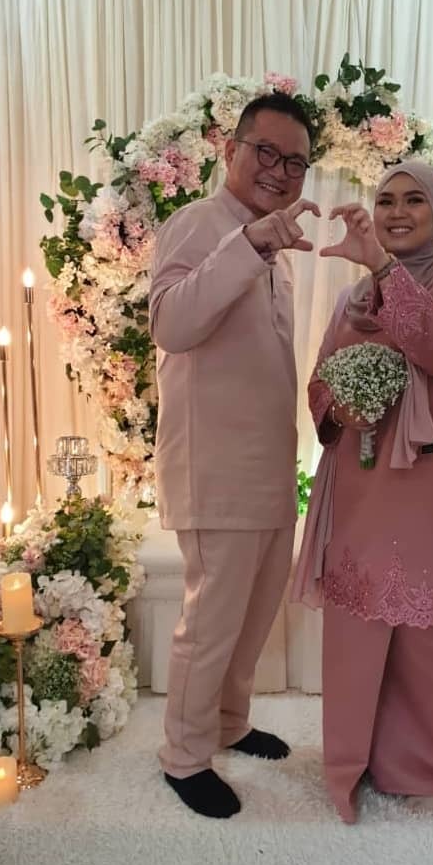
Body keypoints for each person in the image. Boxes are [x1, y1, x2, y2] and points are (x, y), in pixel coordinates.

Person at [292, 160, 433, 823]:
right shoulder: (353, 299)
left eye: (415, 200)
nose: (398, 212)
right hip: (363, 482)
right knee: (361, 625)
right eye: (386, 201)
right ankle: (358, 761)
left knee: (429, 629)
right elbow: (320, 381)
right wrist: (340, 406)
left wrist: (385, 269)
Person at [149, 92, 319, 818]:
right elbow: (170, 323)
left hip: (270, 463)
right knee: (212, 622)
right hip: (214, 466)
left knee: (253, 618)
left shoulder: (276, 246)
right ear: (231, 150)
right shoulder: (199, 223)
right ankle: (184, 756)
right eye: (266, 152)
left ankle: (227, 722)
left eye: (296, 162)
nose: (280, 170)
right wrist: (247, 246)